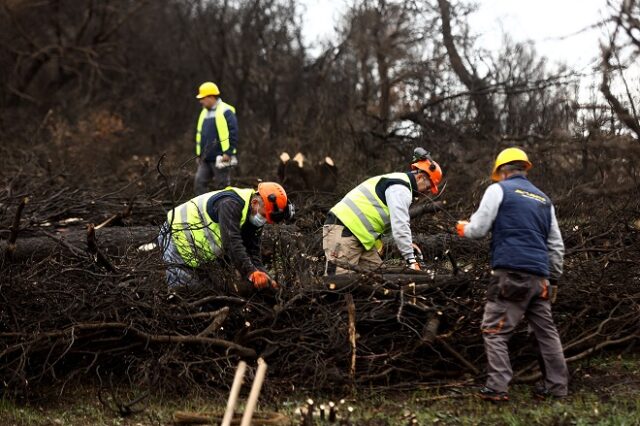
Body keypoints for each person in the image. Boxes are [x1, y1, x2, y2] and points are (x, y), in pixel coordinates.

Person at [456, 147, 568, 402]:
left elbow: (479, 229)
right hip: (540, 279)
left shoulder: (498, 190)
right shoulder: (544, 200)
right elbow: (557, 245)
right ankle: (557, 387)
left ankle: (497, 387)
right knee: (546, 334)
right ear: (524, 169)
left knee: (494, 330)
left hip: (510, 275)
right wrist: (553, 280)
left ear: (501, 172)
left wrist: (464, 228)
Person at [323, 148, 443, 275]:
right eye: (429, 187)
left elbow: (385, 220)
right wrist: (411, 259)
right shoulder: (401, 189)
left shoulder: (399, 184)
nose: (427, 191)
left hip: (361, 238)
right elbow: (400, 225)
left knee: (379, 279)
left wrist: (407, 245)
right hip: (345, 231)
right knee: (338, 282)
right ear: (420, 177)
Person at [158, 182, 293, 289]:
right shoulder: (231, 204)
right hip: (175, 236)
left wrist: (265, 276)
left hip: (199, 252)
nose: (263, 220)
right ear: (255, 203)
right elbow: (231, 241)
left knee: (211, 291)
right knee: (184, 291)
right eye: (264, 216)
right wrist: (251, 272)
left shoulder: (252, 214)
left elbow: (253, 250)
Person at [193, 81, 239, 195]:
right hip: (205, 158)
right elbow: (200, 135)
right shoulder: (203, 113)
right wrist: (199, 155)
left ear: (211, 97)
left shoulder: (226, 110)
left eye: (203, 98)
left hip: (221, 158)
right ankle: (202, 210)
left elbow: (233, 133)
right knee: (199, 183)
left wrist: (228, 152)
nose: (201, 101)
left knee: (222, 187)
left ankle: (224, 210)